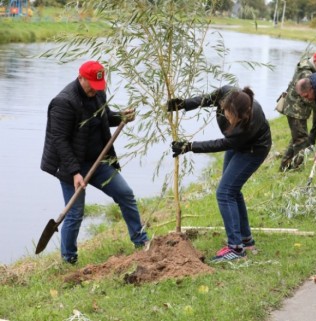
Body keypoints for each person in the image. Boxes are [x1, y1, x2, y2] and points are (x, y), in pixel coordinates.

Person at [40, 61, 149, 264]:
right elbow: (60, 141)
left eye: (98, 86)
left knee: (125, 193)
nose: (94, 91)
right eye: (91, 85)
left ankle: (141, 242)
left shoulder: (98, 93)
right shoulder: (63, 102)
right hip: (70, 165)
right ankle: (69, 259)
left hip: (98, 161)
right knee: (75, 213)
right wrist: (74, 172)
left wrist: (121, 116)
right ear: (80, 77)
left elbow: (104, 117)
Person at [167, 86, 271, 262]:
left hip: (253, 150)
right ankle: (245, 240)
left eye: (231, 116)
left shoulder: (245, 127)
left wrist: (190, 146)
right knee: (232, 191)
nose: (227, 116)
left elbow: (221, 144)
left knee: (225, 192)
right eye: (226, 111)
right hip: (238, 145)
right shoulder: (228, 93)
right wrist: (184, 104)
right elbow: (208, 98)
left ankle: (236, 249)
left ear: (242, 116)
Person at [278, 50, 316, 171]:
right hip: (295, 110)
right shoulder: (306, 73)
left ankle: (283, 167)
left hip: (295, 108)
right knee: (302, 140)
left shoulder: (305, 65)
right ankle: (297, 168)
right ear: (315, 61)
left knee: (296, 139)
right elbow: (309, 98)